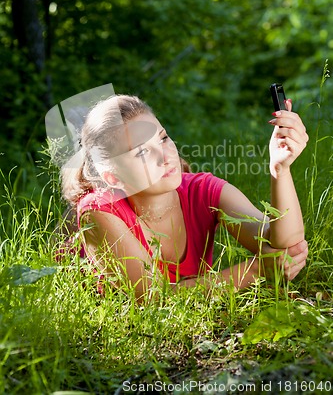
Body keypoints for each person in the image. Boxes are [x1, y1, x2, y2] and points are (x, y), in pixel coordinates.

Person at [60, 94, 309, 301]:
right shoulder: (98, 212)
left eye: (163, 138)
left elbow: (283, 243)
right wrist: (256, 270)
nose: (166, 155)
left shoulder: (202, 191)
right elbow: (152, 299)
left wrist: (280, 169)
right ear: (113, 178)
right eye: (142, 152)